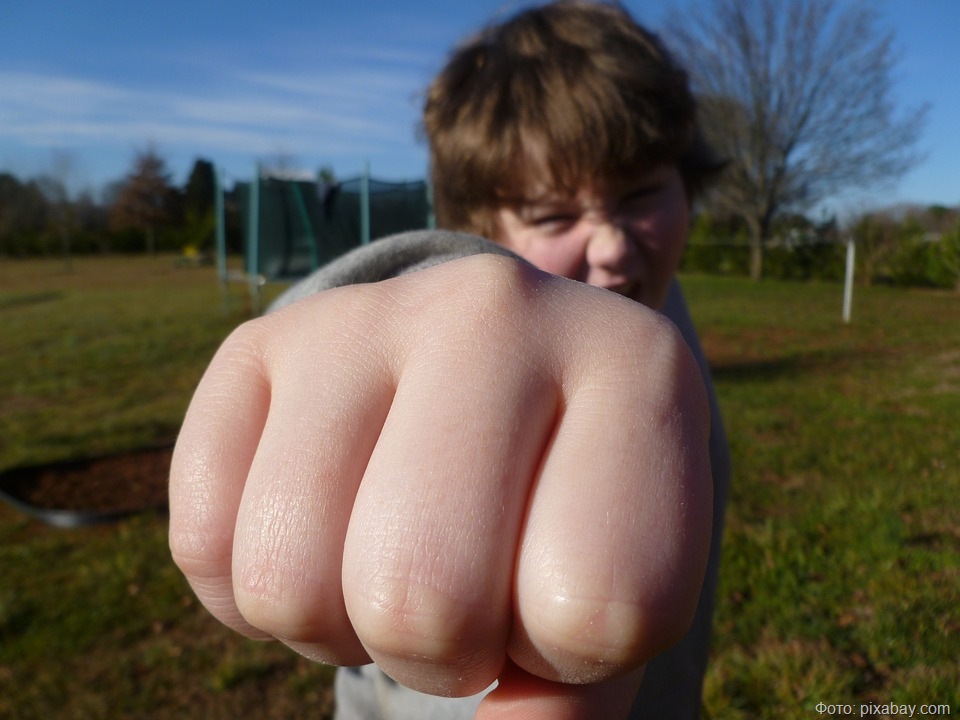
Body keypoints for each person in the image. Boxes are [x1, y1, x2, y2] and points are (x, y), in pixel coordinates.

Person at [169, 2, 730, 719]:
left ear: (687, 184)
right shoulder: (504, 273)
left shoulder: (656, 303)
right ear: (484, 226)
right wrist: (402, 297)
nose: (614, 246)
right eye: (555, 216)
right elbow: (459, 294)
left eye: (643, 193)